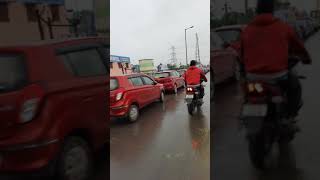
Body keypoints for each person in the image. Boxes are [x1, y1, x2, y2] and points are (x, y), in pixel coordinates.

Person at [240, 0, 312, 119]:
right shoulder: (283, 28)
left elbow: (241, 52)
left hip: (253, 77)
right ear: (272, 11)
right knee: (295, 86)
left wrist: (245, 70)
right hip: (277, 76)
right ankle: (290, 114)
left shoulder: (247, 30)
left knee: (248, 93)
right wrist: (306, 59)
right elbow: (298, 47)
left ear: (257, 11)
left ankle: (246, 116)